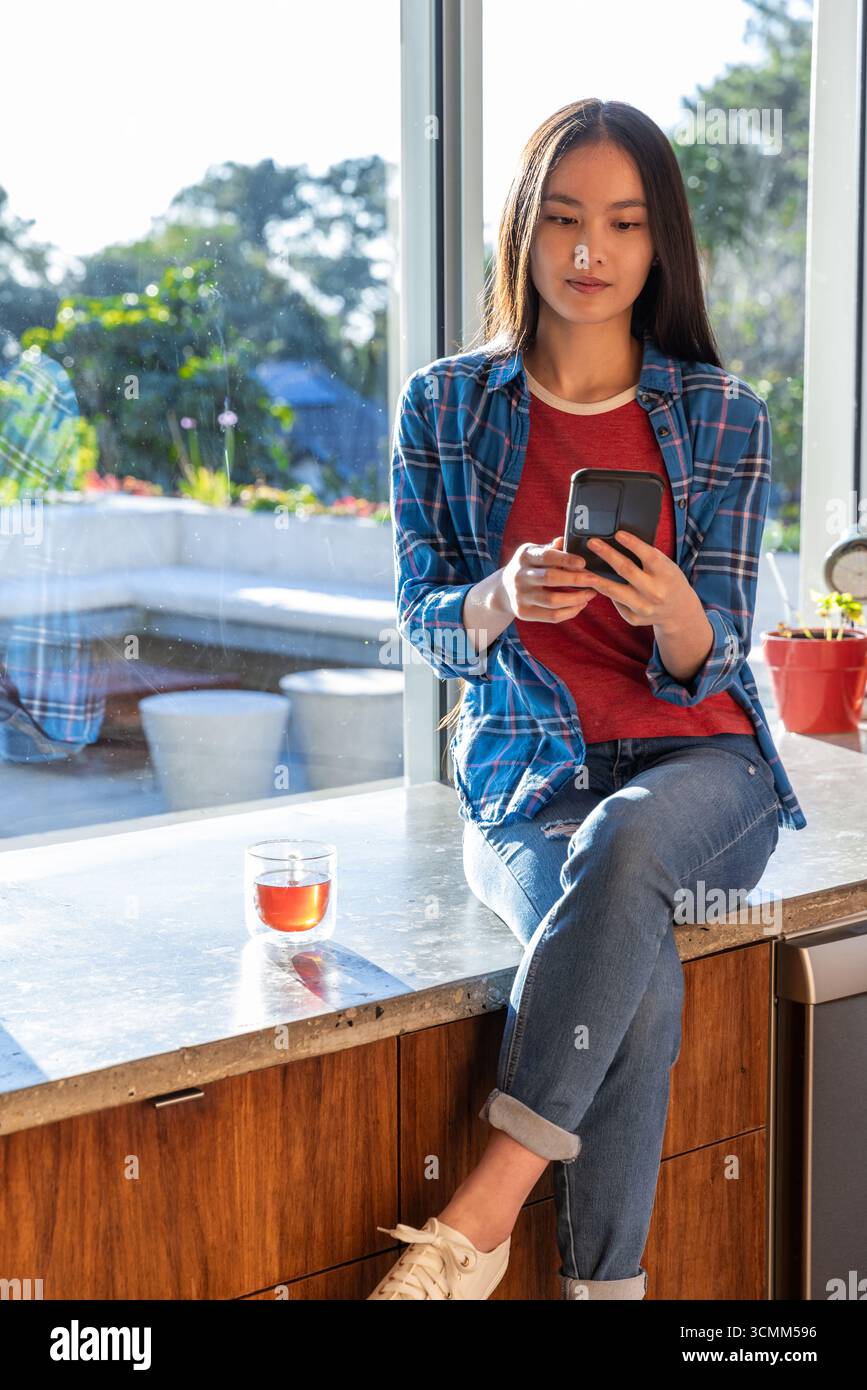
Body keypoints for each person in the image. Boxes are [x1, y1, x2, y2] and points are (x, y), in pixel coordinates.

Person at [369, 97, 806, 1302]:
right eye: (562, 219)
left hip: (699, 771)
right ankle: (606, 1292)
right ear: (524, 228)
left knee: (629, 842)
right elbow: (419, 622)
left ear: (658, 243)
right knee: (638, 966)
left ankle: (480, 1216)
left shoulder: (722, 415)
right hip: (529, 780)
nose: (588, 253)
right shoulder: (443, 409)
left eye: (620, 223)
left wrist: (674, 613)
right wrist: (500, 598)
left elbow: (722, 657)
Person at [0, 343, 105, 762]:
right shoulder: (44, 382)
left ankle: (40, 735)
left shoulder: (35, 383)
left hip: (37, 543)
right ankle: (41, 734)